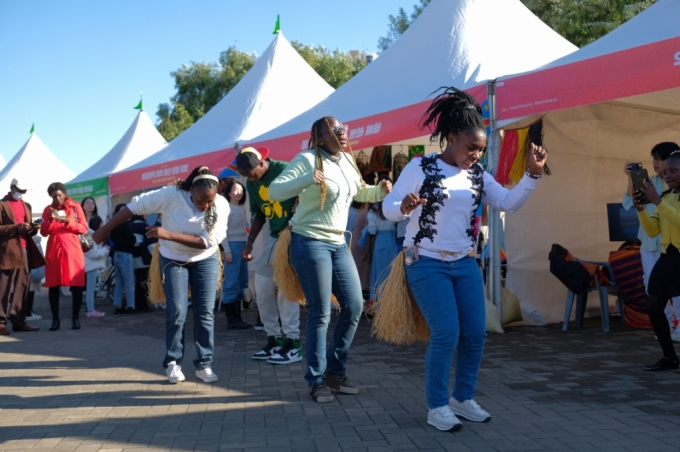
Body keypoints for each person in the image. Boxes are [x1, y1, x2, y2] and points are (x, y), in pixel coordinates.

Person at [382, 87, 547, 431]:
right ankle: (437, 406)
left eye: (481, 149)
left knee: (475, 334)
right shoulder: (420, 166)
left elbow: (508, 202)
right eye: (471, 147)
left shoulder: (477, 175)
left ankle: (462, 398)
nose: (476, 155)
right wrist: (404, 208)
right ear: (452, 137)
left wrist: (531, 174)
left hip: (464, 263)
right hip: (426, 263)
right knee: (446, 334)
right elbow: (389, 208)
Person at [268, 116, 391, 403]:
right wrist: (305, 178)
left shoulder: (347, 161)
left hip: (338, 242)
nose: (342, 132)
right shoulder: (307, 159)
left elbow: (360, 192)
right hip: (309, 241)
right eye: (334, 130)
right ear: (318, 137)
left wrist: (379, 191)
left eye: (343, 128)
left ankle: (336, 373)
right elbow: (275, 191)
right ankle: (316, 380)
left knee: (354, 305)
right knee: (321, 310)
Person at [93, 166, 229, 384]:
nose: (205, 206)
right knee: (177, 310)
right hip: (172, 259)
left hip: (205, 259)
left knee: (205, 312)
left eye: (209, 202)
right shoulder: (170, 195)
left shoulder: (221, 205)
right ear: (191, 190)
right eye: (200, 201)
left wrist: (168, 234)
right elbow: (133, 206)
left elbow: (208, 242)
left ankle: (204, 364)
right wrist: (103, 230)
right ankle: (172, 363)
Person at [234, 147, 301, 365]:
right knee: (261, 288)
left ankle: (293, 343)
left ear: (261, 162)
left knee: (286, 290)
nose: (250, 178)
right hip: (274, 237)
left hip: (294, 235)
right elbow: (259, 214)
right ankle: (274, 340)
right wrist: (250, 242)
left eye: (252, 173)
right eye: (245, 175)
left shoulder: (285, 169)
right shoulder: (251, 183)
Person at [623, 143, 680, 341]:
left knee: (678, 292)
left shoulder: (668, 190)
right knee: (652, 291)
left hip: (675, 250)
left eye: (661, 159)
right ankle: (666, 328)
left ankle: (679, 327)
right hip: (653, 244)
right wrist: (632, 182)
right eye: (654, 159)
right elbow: (629, 205)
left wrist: (658, 201)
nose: (657, 163)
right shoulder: (650, 183)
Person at [635, 148, 680, 371]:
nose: (668, 175)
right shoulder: (665, 196)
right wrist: (641, 209)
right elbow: (653, 231)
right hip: (668, 257)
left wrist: (658, 203)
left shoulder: (662, 200)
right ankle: (670, 357)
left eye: (673, 170)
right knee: (653, 305)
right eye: (665, 172)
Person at [41, 182, 89, 331]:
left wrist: (69, 221)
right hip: (54, 249)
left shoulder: (75, 207)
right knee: (53, 285)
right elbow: (43, 232)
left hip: (72, 249)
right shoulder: (48, 210)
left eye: (60, 195)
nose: (57, 198)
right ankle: (55, 320)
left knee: (76, 285)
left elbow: (84, 228)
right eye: (54, 196)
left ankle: (75, 318)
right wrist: (49, 220)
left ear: (64, 194)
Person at [0, 179, 44, 334]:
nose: (21, 193)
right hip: (8, 250)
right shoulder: (2, 204)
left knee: (22, 286)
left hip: (25, 249)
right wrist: (16, 227)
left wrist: (34, 228)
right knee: (4, 286)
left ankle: (18, 320)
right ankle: (1, 321)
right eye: (19, 190)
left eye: (24, 191)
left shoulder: (27, 205)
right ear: (12, 187)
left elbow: (27, 231)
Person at [221, 178, 251, 329]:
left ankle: (238, 318)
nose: (238, 193)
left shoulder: (241, 208)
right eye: (235, 190)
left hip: (242, 245)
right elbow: (222, 232)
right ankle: (232, 320)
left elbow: (246, 229)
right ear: (228, 192)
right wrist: (227, 250)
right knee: (231, 282)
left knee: (241, 281)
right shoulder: (226, 208)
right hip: (232, 246)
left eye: (240, 190)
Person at [367, 199, 397, 305]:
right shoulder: (393, 205)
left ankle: (377, 302)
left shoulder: (372, 209)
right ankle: (391, 302)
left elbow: (372, 231)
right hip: (393, 240)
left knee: (378, 273)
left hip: (380, 241)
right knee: (392, 272)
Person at [110, 203, 136, 314]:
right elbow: (133, 239)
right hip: (125, 255)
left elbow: (111, 239)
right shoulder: (125, 225)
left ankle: (118, 305)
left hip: (116, 254)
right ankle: (131, 306)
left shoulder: (113, 225)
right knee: (129, 282)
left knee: (119, 282)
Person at [84, 216, 108, 318]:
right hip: (91, 266)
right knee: (90, 289)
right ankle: (90, 309)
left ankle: (90, 308)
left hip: (90, 265)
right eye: (102, 224)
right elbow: (92, 254)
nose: (103, 226)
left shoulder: (91, 235)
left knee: (90, 288)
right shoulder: (91, 236)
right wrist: (105, 250)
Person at [131, 214, 153, 312]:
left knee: (136, 282)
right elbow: (151, 245)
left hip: (131, 258)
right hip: (143, 259)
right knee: (143, 282)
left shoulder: (130, 226)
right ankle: (143, 305)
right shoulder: (144, 227)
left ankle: (136, 303)